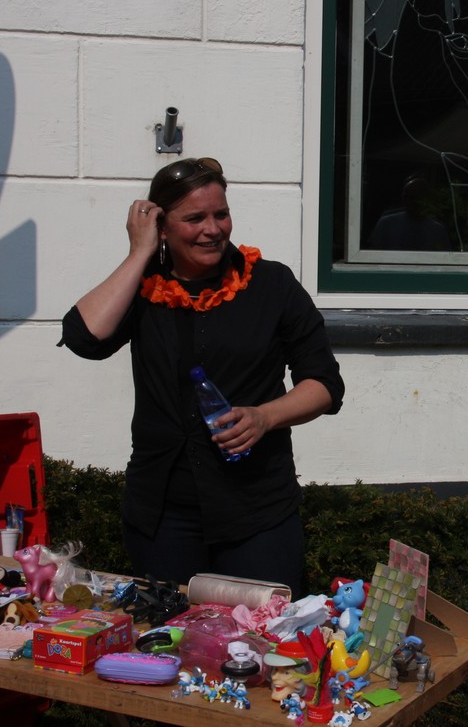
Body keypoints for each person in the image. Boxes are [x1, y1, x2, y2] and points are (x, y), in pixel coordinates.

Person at [59, 157, 344, 596]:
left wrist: (265, 417)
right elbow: (84, 338)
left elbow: (325, 384)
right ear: (162, 226)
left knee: (261, 632)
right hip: (162, 516)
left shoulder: (272, 284)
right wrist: (139, 254)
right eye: (194, 218)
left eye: (221, 214)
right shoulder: (144, 287)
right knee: (168, 631)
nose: (213, 229)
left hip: (256, 513)